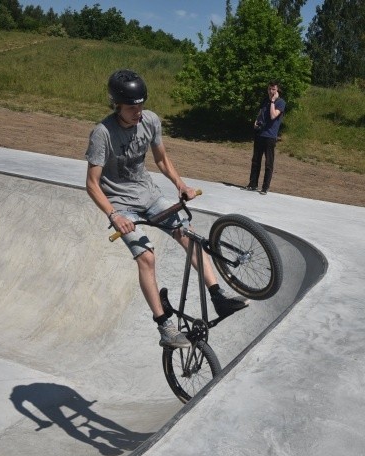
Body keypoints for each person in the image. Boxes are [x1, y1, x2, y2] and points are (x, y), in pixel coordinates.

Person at [85, 69, 248, 348]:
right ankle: (164, 327)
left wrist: (180, 185)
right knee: (147, 257)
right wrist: (114, 215)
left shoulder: (150, 121)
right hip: (122, 207)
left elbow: (162, 159)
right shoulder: (102, 134)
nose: (138, 112)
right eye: (131, 107)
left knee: (189, 235)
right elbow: (92, 184)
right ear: (116, 105)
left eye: (141, 105)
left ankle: (218, 296)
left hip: (149, 195)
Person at [245, 81, 286, 195]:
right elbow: (260, 113)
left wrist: (273, 101)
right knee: (256, 160)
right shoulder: (264, 101)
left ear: (278, 91)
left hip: (270, 136)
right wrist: (256, 122)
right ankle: (253, 184)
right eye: (269, 89)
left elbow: (273, 115)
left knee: (268, 163)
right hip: (259, 134)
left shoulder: (280, 102)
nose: (271, 91)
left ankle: (265, 187)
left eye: (273, 89)